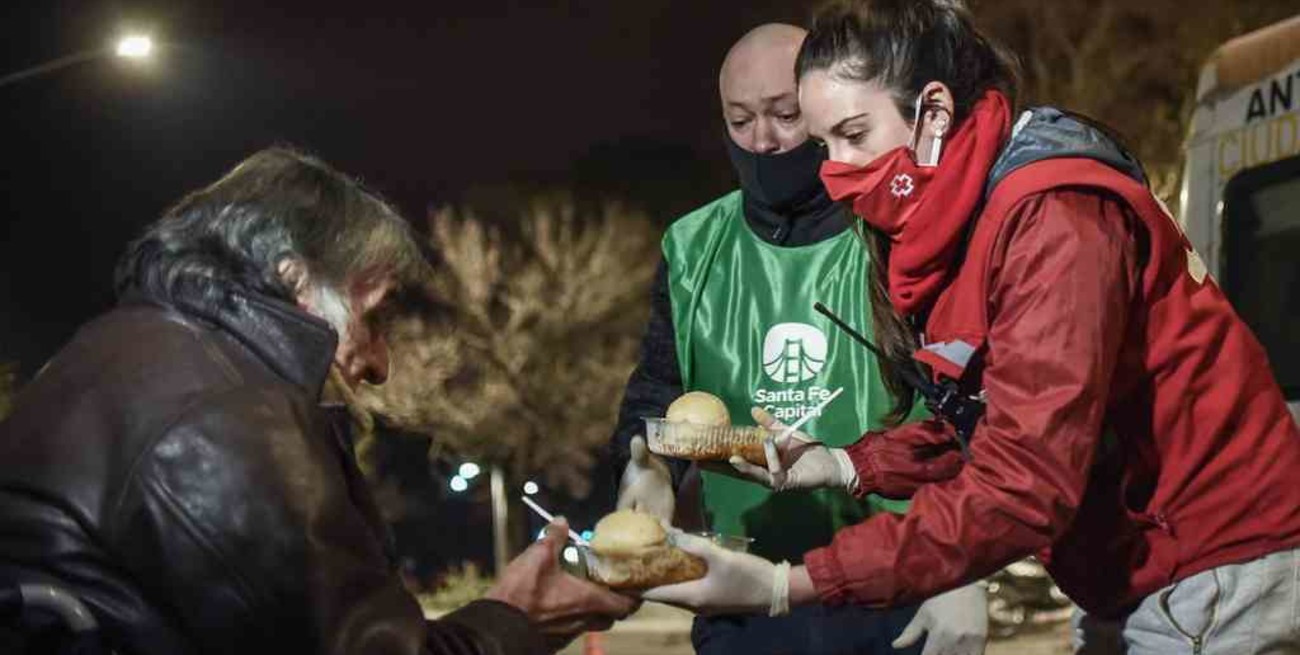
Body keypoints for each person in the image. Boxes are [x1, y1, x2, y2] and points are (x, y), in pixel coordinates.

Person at [642, 1, 1300, 653]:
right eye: (823, 145)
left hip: (1211, 564)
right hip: (1132, 568)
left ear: (933, 112)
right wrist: (843, 463)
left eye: (854, 133)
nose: (835, 173)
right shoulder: (964, 218)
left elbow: (1025, 480)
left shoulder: (1054, 219)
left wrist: (787, 584)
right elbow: (993, 416)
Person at [0, 147, 637, 655]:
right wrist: (518, 618)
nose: (380, 364)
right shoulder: (227, 415)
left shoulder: (120, 355)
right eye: (374, 314)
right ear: (294, 277)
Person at [611, 23, 985, 655]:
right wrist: (645, 469)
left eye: (786, 116)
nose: (763, 141)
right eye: (740, 121)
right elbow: (657, 393)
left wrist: (961, 561)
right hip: (744, 592)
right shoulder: (693, 247)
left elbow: (970, 412)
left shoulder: (903, 232)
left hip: (899, 586)